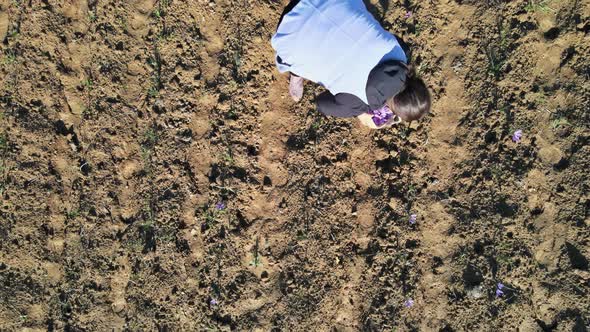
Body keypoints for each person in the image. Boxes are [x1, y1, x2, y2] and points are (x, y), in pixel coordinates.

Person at [271, 0, 431, 129]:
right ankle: (297, 74)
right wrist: (360, 113)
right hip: (291, 30)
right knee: (303, 59)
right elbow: (322, 103)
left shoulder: (400, 51)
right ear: (392, 108)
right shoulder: (357, 103)